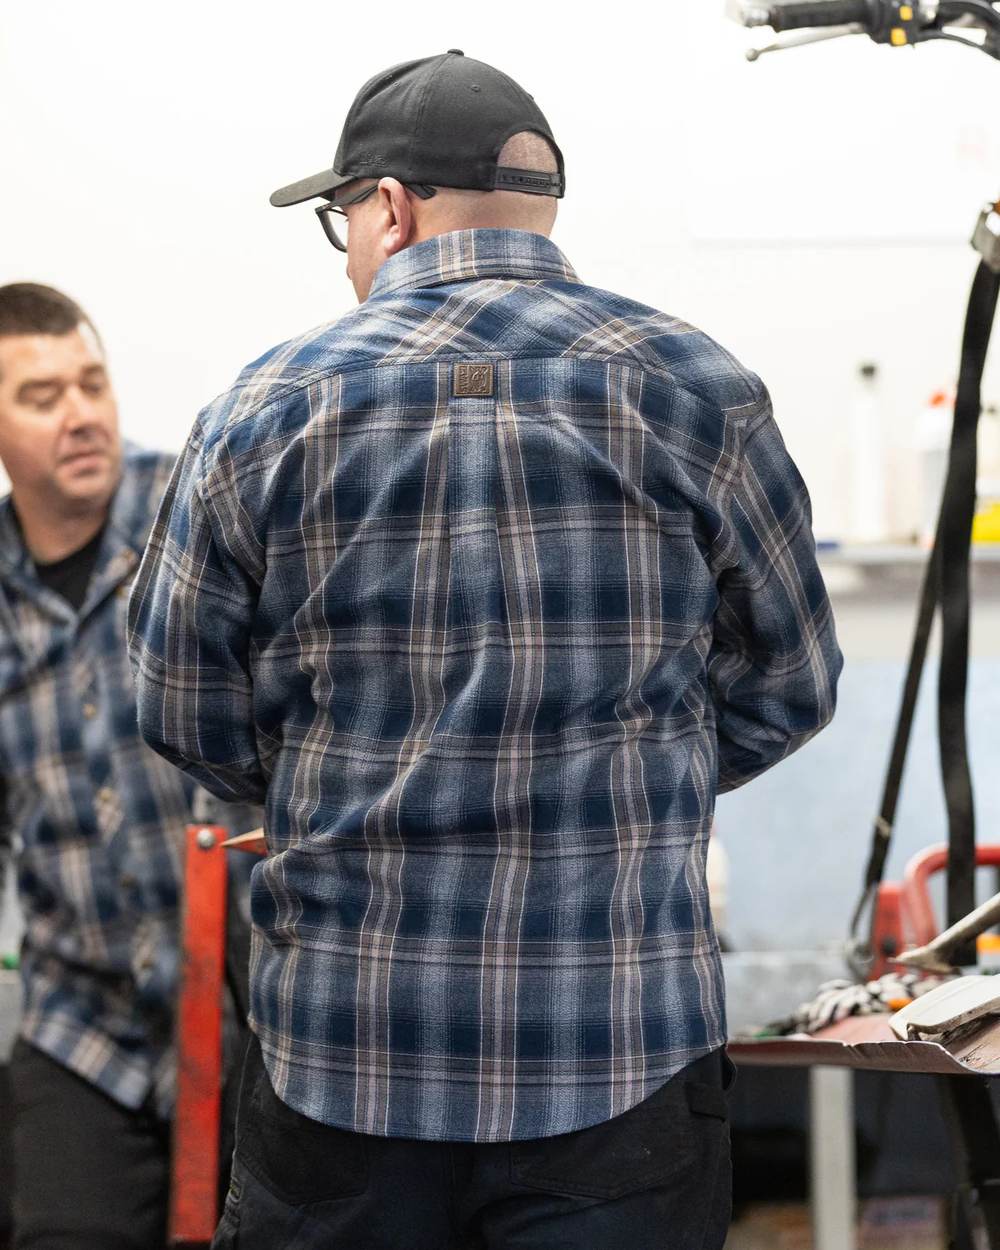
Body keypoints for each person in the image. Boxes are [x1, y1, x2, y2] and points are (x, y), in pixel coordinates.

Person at [128, 51, 842, 1250]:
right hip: (617, 1054)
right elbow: (793, 679)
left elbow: (179, 707)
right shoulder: (697, 386)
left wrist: (335, 786)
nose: (350, 247)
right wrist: (624, 779)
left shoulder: (263, 408)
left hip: (344, 1060)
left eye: (340, 217)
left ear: (391, 207)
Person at [0, 282, 201, 1250]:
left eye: (93, 383)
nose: (80, 414)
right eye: (41, 397)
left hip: (248, 1011)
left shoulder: (198, 518)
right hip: (80, 1024)